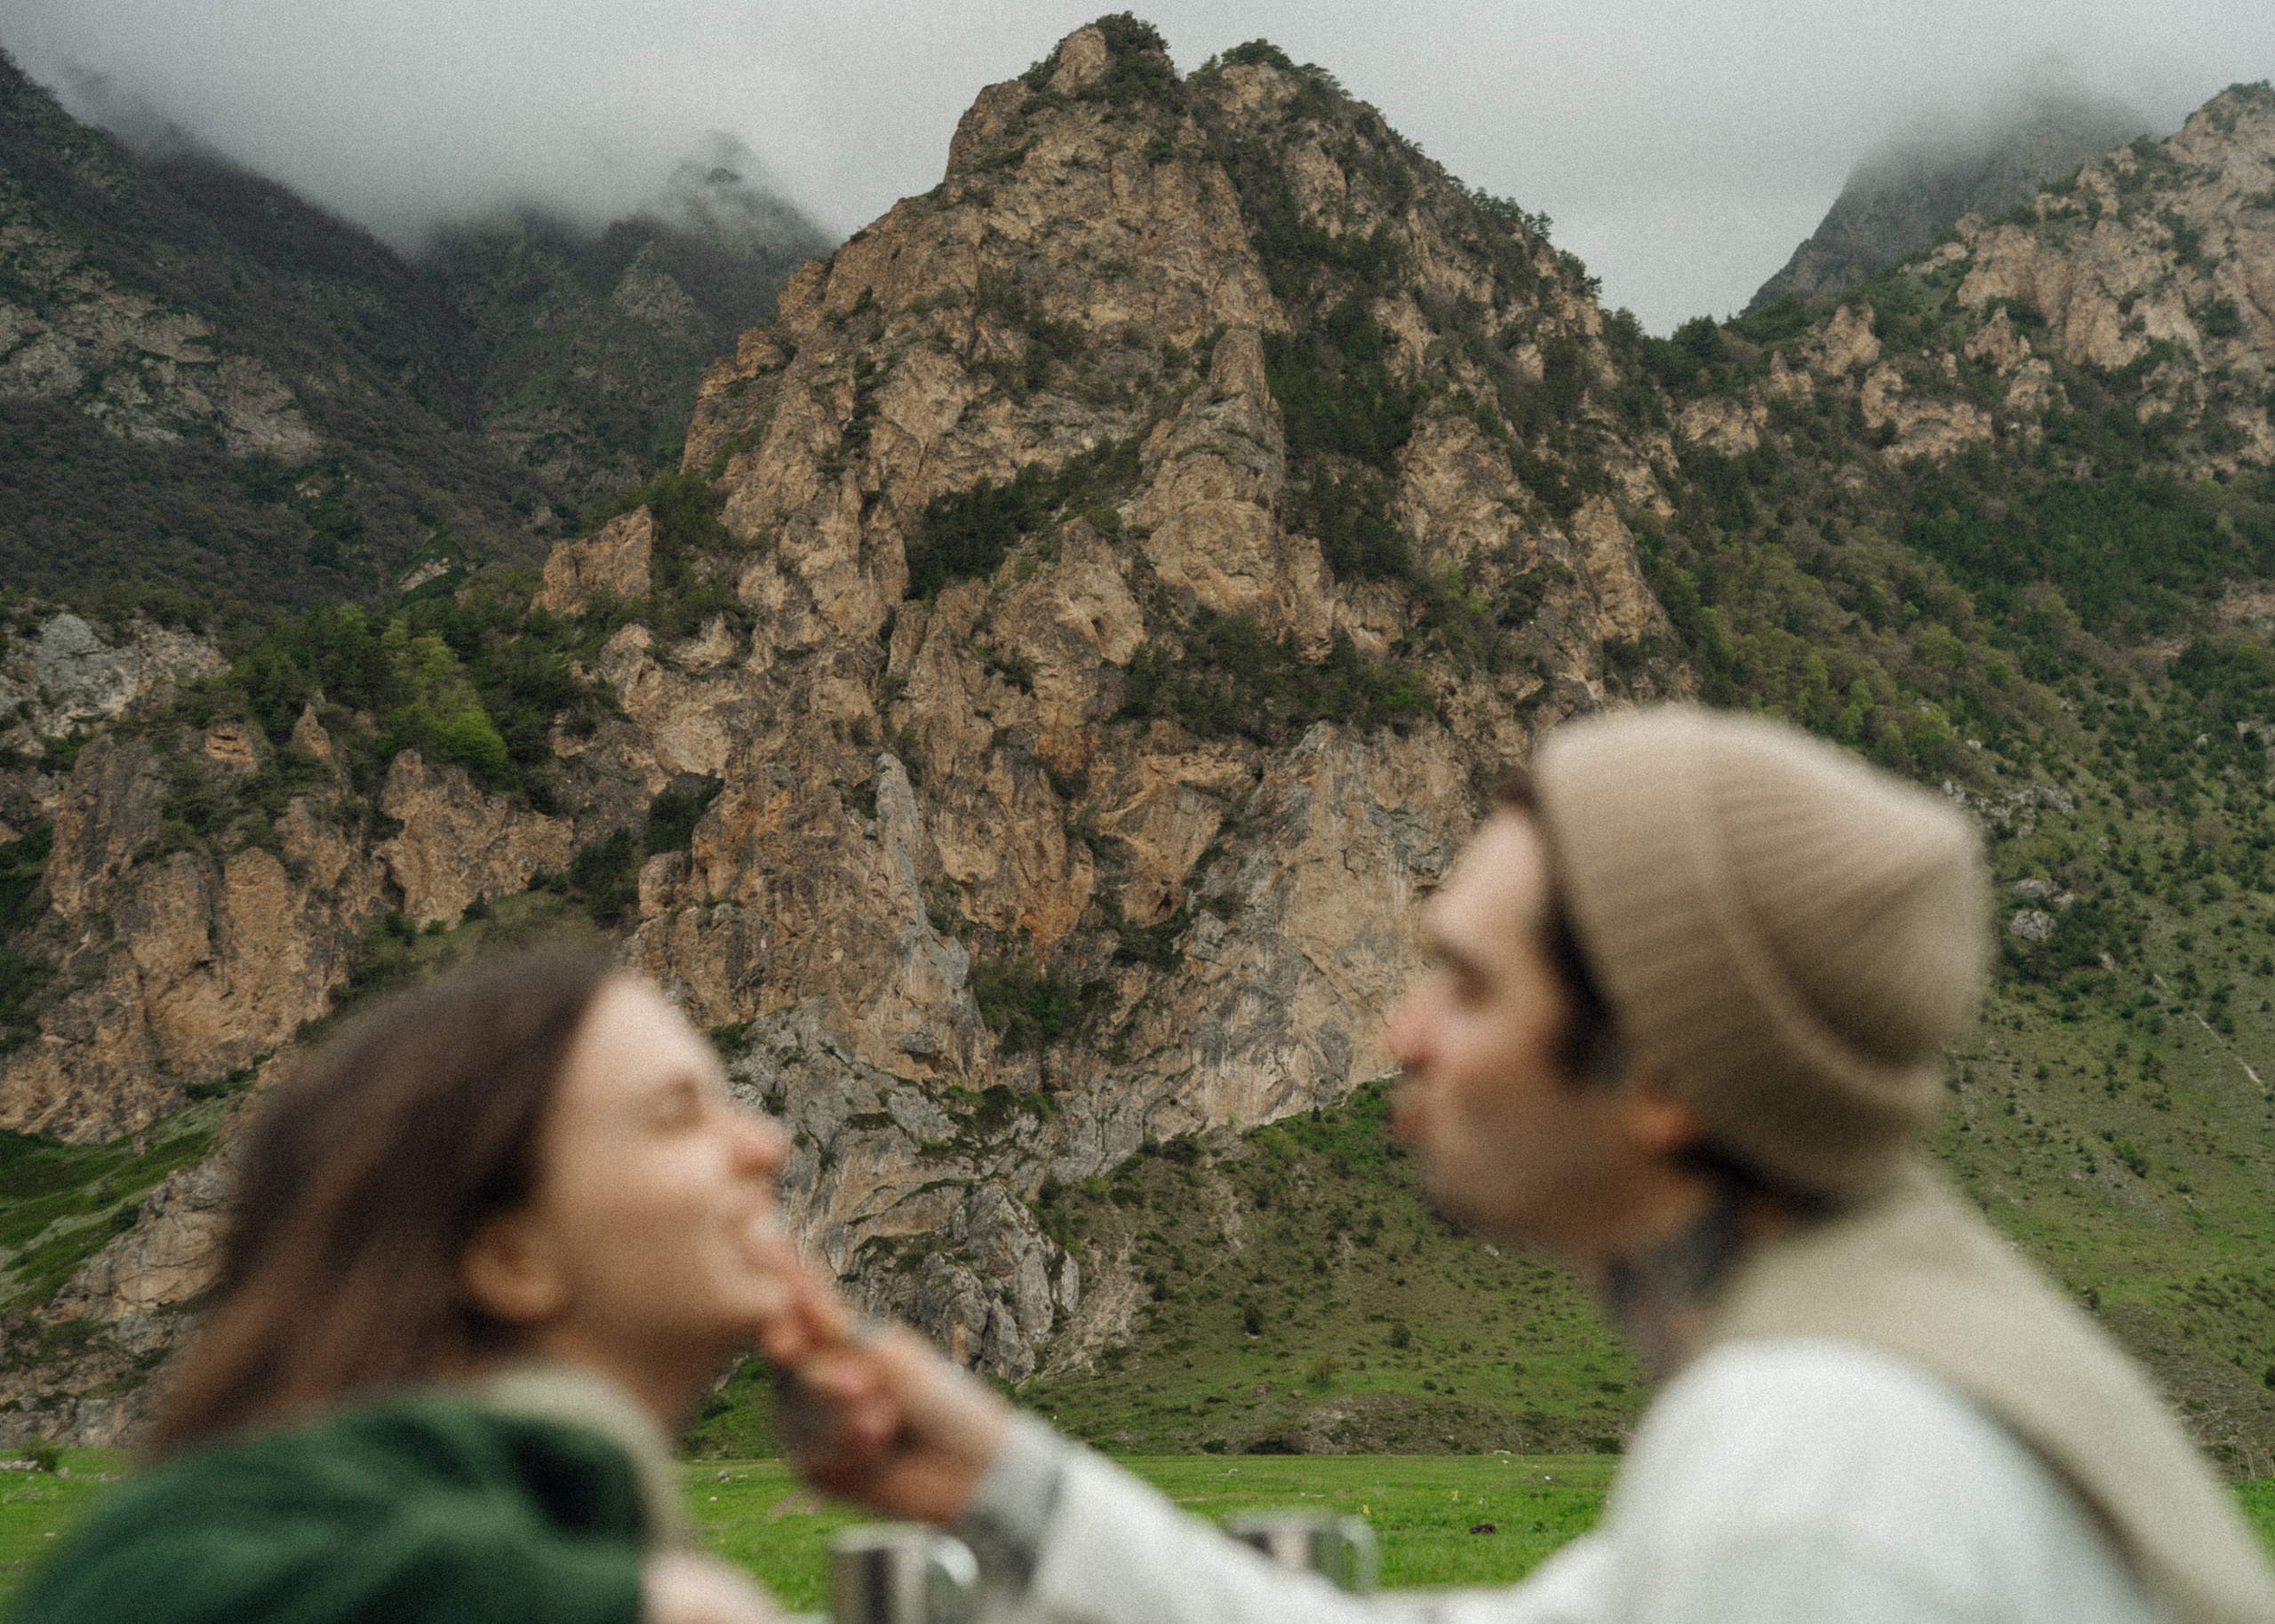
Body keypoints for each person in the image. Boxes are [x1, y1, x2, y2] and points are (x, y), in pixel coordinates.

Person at [763, 705, 2275, 1624]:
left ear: (1664, 1075)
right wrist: (994, 1474)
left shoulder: (1818, 1465)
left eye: (1470, 985)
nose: (1405, 1032)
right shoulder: (1853, 1381)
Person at [19, 950, 795, 1624]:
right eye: (677, 1114)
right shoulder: (255, 1530)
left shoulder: (568, 1517)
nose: (770, 1144)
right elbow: (130, 1595)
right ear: (512, 1258)